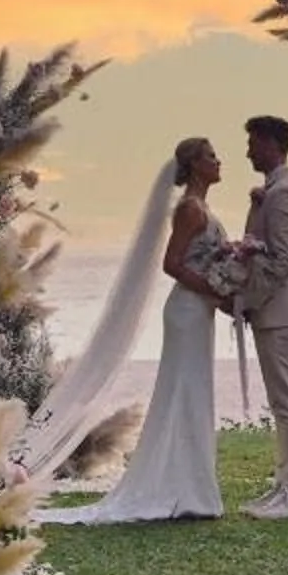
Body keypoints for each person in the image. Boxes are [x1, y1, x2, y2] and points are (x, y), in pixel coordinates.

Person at [37, 136, 231, 523]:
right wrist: (215, 288)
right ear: (194, 164)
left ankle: (190, 484)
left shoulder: (203, 208)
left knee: (191, 392)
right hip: (188, 311)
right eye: (211, 156)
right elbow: (172, 264)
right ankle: (186, 490)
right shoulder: (190, 210)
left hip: (199, 312)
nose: (219, 161)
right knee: (184, 392)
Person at [237, 114, 288, 518]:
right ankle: (285, 484)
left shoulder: (283, 192)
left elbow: (283, 261)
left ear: (272, 144)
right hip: (271, 311)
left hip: (277, 310)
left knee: (287, 402)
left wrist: (249, 298)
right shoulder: (272, 190)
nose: (248, 150)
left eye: (253, 142)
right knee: (279, 401)